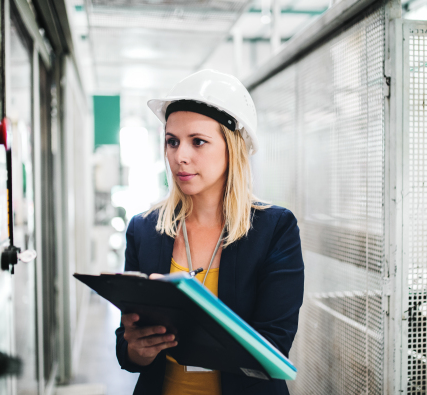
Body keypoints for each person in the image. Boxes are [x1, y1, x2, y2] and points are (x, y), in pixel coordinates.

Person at [115, 69, 304, 395]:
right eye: (172, 141)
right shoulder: (144, 229)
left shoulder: (274, 229)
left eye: (198, 142)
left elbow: (274, 347)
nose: (180, 156)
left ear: (233, 148)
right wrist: (136, 349)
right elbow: (128, 347)